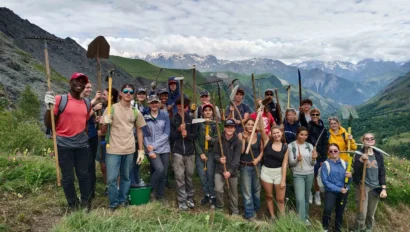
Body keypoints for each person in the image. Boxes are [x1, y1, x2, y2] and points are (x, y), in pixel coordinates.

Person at [43, 72, 92, 210]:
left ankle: (86, 202)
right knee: (68, 176)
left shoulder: (87, 103)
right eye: (77, 81)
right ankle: (73, 204)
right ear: (70, 83)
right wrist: (49, 108)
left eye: (83, 82)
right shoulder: (60, 99)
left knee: (83, 174)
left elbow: (85, 122)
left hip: (82, 144)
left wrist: (86, 138)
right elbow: (48, 124)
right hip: (64, 145)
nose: (80, 84)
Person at [100, 84, 146, 210]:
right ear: (120, 93)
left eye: (131, 92)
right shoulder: (111, 109)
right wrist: (106, 122)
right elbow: (102, 131)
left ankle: (123, 200)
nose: (128, 93)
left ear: (133, 95)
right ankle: (113, 203)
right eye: (125, 91)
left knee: (126, 177)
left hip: (129, 149)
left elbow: (139, 130)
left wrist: (141, 150)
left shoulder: (135, 111)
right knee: (111, 179)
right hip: (113, 149)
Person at [353, 133, 387, 231]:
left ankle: (369, 228)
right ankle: (359, 228)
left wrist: (383, 188)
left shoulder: (378, 154)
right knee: (361, 212)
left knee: (371, 213)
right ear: (363, 141)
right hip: (363, 186)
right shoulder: (359, 154)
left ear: (374, 141)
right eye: (367, 139)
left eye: (372, 139)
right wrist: (360, 160)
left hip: (375, 186)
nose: (369, 140)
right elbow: (356, 171)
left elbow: (382, 171)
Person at [170, 96, 197, 210]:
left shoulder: (191, 119)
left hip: (190, 152)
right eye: (181, 106)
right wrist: (178, 130)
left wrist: (187, 135)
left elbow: (194, 135)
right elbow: (171, 137)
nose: (183, 108)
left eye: (185, 106)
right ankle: (182, 200)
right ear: (177, 106)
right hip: (177, 151)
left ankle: (189, 197)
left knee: (189, 176)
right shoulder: (173, 119)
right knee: (179, 176)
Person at [142, 95, 171, 201]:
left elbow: (167, 133)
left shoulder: (164, 115)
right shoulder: (145, 117)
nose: (154, 105)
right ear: (149, 104)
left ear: (159, 104)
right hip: (151, 149)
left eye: (156, 102)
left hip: (164, 148)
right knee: (159, 169)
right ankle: (149, 190)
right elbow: (144, 135)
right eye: (152, 102)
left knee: (164, 174)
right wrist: (150, 150)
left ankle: (160, 195)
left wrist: (153, 145)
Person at [288, 127, 317, 225]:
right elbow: (291, 164)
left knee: (306, 196)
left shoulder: (309, 145)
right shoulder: (291, 145)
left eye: (305, 135)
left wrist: (313, 158)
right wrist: (297, 159)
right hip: (298, 175)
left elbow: (313, 164)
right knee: (300, 197)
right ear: (297, 134)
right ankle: (301, 221)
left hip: (310, 173)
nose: (303, 137)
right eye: (301, 134)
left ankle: (305, 217)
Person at [212, 119, 241, 215]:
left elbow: (236, 159)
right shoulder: (218, 140)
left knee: (233, 192)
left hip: (233, 172)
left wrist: (230, 171)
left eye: (231, 127)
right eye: (227, 127)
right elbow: (215, 154)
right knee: (218, 189)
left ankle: (235, 211)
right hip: (220, 170)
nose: (229, 129)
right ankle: (220, 207)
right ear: (224, 128)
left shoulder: (238, 142)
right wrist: (219, 159)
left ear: (234, 128)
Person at [259, 124, 288, 219]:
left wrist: (283, 180)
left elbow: (284, 165)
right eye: (274, 133)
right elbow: (262, 130)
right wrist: (260, 113)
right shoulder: (267, 142)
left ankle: (282, 219)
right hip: (266, 172)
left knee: (280, 199)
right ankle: (272, 216)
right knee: (269, 196)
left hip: (279, 173)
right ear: (271, 134)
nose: (276, 135)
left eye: (278, 133)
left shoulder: (285, 147)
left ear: (282, 133)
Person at [321, 143, 351, 232]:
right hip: (331, 191)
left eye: (335, 150)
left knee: (340, 211)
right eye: (331, 151)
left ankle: (338, 229)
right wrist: (339, 189)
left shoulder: (345, 164)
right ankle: (325, 228)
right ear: (328, 153)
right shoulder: (325, 165)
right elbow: (325, 181)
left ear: (339, 151)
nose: (333, 152)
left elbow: (348, 181)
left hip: (344, 191)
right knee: (327, 209)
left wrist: (350, 177)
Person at [238, 118, 263, 221]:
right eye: (248, 124)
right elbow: (241, 151)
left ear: (255, 126)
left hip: (256, 165)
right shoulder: (241, 135)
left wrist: (257, 159)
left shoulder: (259, 136)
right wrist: (244, 139)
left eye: (252, 124)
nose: (250, 126)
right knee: (247, 191)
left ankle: (255, 209)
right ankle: (249, 214)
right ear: (245, 125)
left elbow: (262, 151)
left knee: (256, 189)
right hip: (245, 166)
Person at [81, 82, 103, 198]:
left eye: (90, 87)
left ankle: (91, 190)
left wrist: (96, 119)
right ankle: (87, 191)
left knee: (91, 164)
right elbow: (82, 117)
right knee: (86, 164)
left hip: (92, 136)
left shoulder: (88, 101)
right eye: (87, 87)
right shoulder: (80, 101)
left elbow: (91, 119)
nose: (89, 89)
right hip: (84, 137)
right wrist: (94, 108)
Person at [194, 103, 218, 207]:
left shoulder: (215, 124)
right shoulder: (199, 124)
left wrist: (211, 139)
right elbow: (195, 139)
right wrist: (200, 153)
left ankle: (213, 196)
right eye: (206, 110)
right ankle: (206, 194)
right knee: (202, 175)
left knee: (210, 174)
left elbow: (218, 140)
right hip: (201, 153)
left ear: (212, 112)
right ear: (202, 112)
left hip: (211, 153)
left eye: (209, 110)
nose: (208, 112)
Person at [96, 87, 119, 195]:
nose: (102, 97)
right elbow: (100, 126)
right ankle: (107, 186)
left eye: (105, 95)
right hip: (101, 140)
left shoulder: (116, 108)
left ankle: (116, 187)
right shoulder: (101, 106)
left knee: (114, 166)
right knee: (103, 166)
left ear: (111, 97)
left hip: (113, 141)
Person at [306, 108, 329, 206]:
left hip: (319, 155)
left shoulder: (323, 128)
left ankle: (317, 194)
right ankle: (309, 193)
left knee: (316, 175)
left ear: (319, 115)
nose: (315, 116)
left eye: (317, 114)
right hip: (308, 154)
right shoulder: (307, 126)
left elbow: (325, 144)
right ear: (310, 116)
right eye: (313, 114)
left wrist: (323, 158)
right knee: (309, 174)